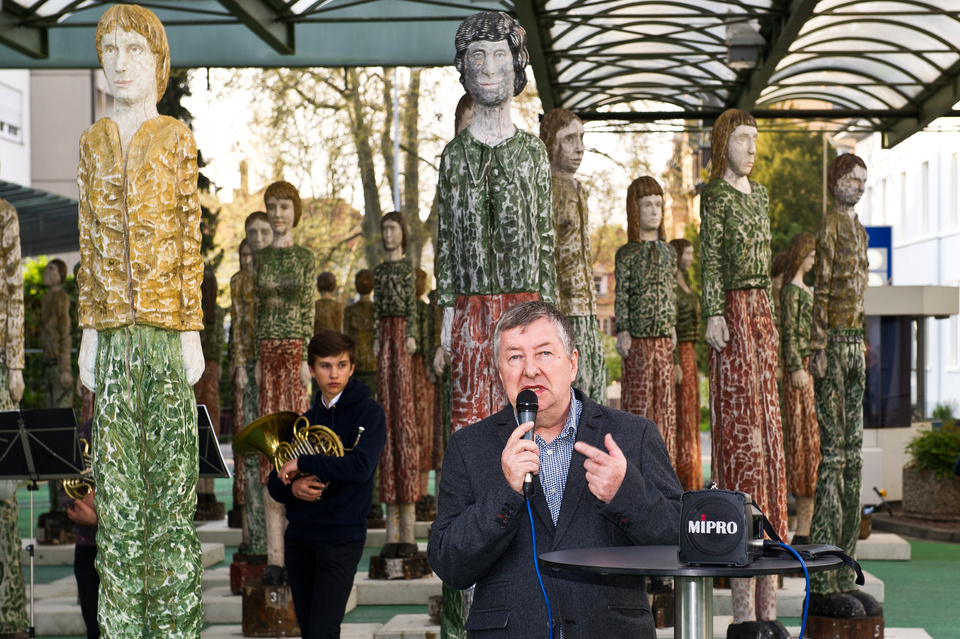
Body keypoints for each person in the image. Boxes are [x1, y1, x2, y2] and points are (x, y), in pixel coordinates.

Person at [427, 301, 682, 638]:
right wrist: (505, 491)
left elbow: (683, 539)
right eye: (515, 356)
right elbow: (449, 564)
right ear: (499, 371)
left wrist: (627, 494)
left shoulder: (631, 435)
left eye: (544, 353)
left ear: (572, 363)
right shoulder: (469, 446)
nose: (530, 370)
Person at [76, 5, 205, 636]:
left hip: (162, 330)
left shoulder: (175, 138)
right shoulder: (93, 143)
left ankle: (174, 625)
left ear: (157, 60)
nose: (120, 62)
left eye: (134, 49)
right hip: (112, 329)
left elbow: (188, 237)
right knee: (119, 498)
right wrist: (88, 332)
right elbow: (90, 242)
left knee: (171, 493)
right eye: (110, 49)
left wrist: (189, 328)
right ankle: (123, 626)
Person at [699, 109, 788, 639]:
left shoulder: (762, 196)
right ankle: (743, 615)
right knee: (740, 439)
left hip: (761, 312)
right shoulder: (716, 198)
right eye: (742, 139)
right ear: (722, 144)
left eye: (756, 140)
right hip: (732, 312)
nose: (751, 148)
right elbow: (711, 256)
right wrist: (714, 310)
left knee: (769, 439)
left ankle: (769, 610)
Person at [269, 330, 386, 639]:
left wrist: (306, 462)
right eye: (325, 365)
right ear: (311, 370)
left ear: (352, 367)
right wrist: (293, 488)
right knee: (309, 630)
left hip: (341, 537)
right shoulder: (304, 421)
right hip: (300, 537)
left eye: (341, 365)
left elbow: (360, 467)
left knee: (323, 630)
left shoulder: (369, 413)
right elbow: (274, 483)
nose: (334, 374)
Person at [808, 153, 880, 618]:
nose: (857, 186)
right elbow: (823, 288)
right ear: (835, 181)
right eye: (851, 178)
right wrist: (817, 342)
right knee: (834, 459)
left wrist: (863, 342)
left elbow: (861, 290)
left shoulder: (861, 230)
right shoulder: (831, 227)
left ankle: (846, 566)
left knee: (854, 458)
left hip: (855, 342)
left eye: (862, 180)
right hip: (832, 342)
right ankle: (823, 573)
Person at [779, 232, 819, 545]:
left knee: (809, 443)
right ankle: (798, 529)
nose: (814, 258)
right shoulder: (792, 291)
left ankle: (805, 528)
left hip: (806, 368)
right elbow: (790, 330)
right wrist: (794, 366)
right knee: (801, 440)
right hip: (799, 372)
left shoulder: (802, 287)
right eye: (811, 254)